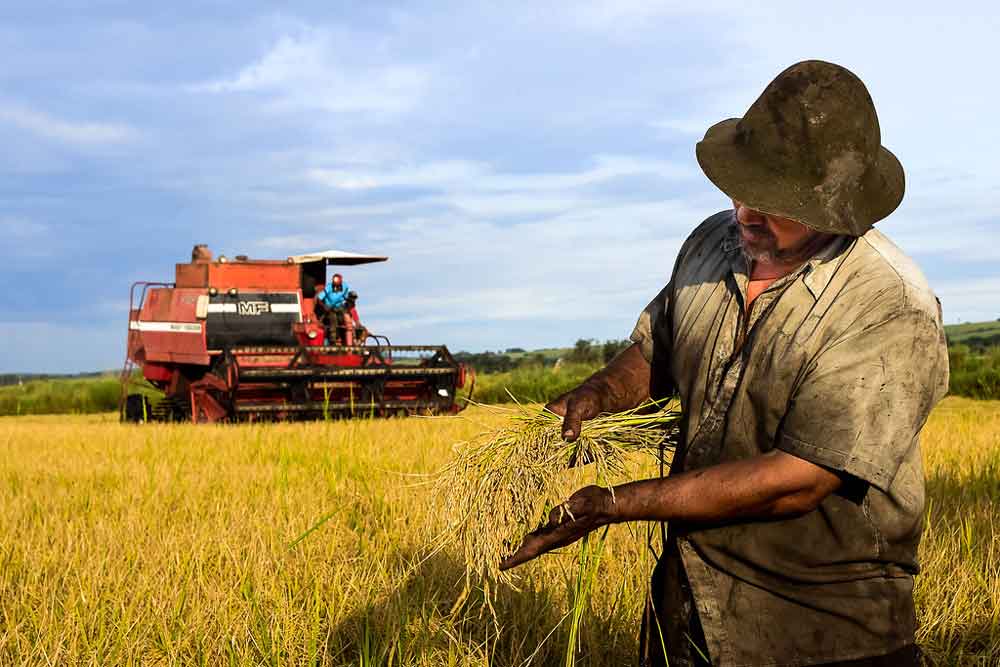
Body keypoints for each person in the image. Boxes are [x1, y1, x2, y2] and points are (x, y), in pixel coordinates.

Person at [500, 60, 948, 667]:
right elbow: (658, 345)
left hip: (817, 629)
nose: (744, 212)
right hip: (688, 606)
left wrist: (617, 503)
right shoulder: (713, 244)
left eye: (771, 201)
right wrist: (597, 393)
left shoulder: (887, 304)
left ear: (831, 208)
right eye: (742, 189)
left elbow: (800, 480)